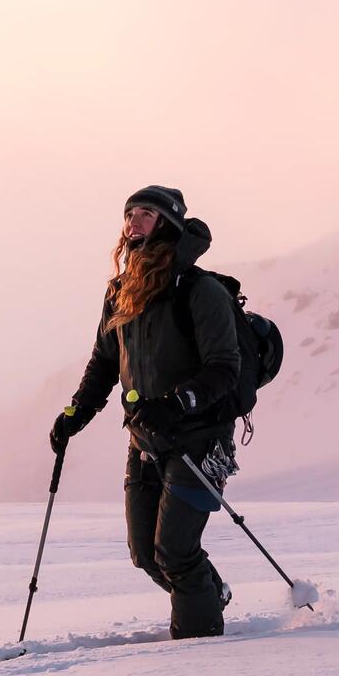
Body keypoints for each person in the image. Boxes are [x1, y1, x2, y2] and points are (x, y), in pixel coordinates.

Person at [49, 185, 243, 639]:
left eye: (147, 214)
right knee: (145, 553)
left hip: (201, 437)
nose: (135, 221)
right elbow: (104, 362)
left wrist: (176, 404)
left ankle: (198, 653)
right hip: (146, 438)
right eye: (131, 213)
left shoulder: (199, 289)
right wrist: (74, 414)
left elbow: (224, 369)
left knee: (174, 550)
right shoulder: (121, 291)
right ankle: (210, 593)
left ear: (168, 224)